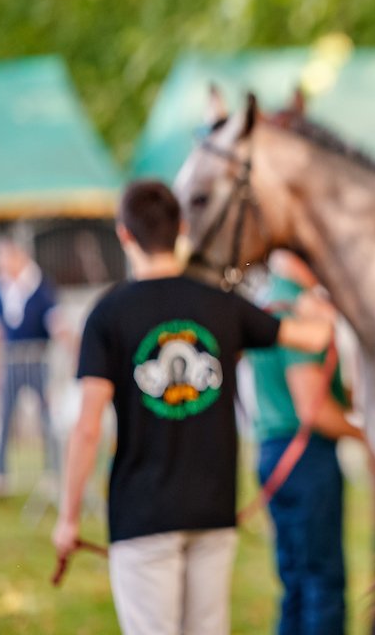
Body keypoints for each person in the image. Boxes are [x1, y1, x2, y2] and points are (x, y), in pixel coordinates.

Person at [51, 180, 335, 635]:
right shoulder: (222, 304)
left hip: (142, 516)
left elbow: (88, 426)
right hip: (212, 511)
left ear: (124, 234)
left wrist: (68, 519)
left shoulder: (108, 314)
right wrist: (316, 305)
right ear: (181, 228)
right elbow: (314, 338)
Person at [247, 249, 364, 635]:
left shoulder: (270, 301)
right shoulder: (295, 309)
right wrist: (370, 436)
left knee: (296, 583)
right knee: (323, 584)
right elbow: (315, 410)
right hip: (304, 459)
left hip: (274, 452)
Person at [0, 236, 69, 489]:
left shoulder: (40, 286)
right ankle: (1, 473)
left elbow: (55, 321)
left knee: (46, 416)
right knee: (5, 416)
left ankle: (52, 470)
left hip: (38, 361)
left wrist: (70, 344)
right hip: (12, 363)